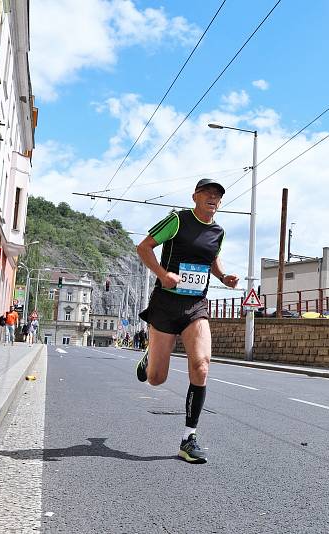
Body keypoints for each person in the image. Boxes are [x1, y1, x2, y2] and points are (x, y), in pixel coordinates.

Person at [135, 178, 239, 464]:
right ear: (195, 196)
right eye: (207, 193)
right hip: (166, 305)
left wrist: (223, 277)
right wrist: (161, 273)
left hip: (196, 305)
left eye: (218, 195)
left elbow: (212, 260)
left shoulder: (219, 232)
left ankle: (188, 439)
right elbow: (143, 247)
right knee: (157, 379)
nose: (213, 198)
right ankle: (149, 357)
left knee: (201, 366)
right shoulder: (177, 221)